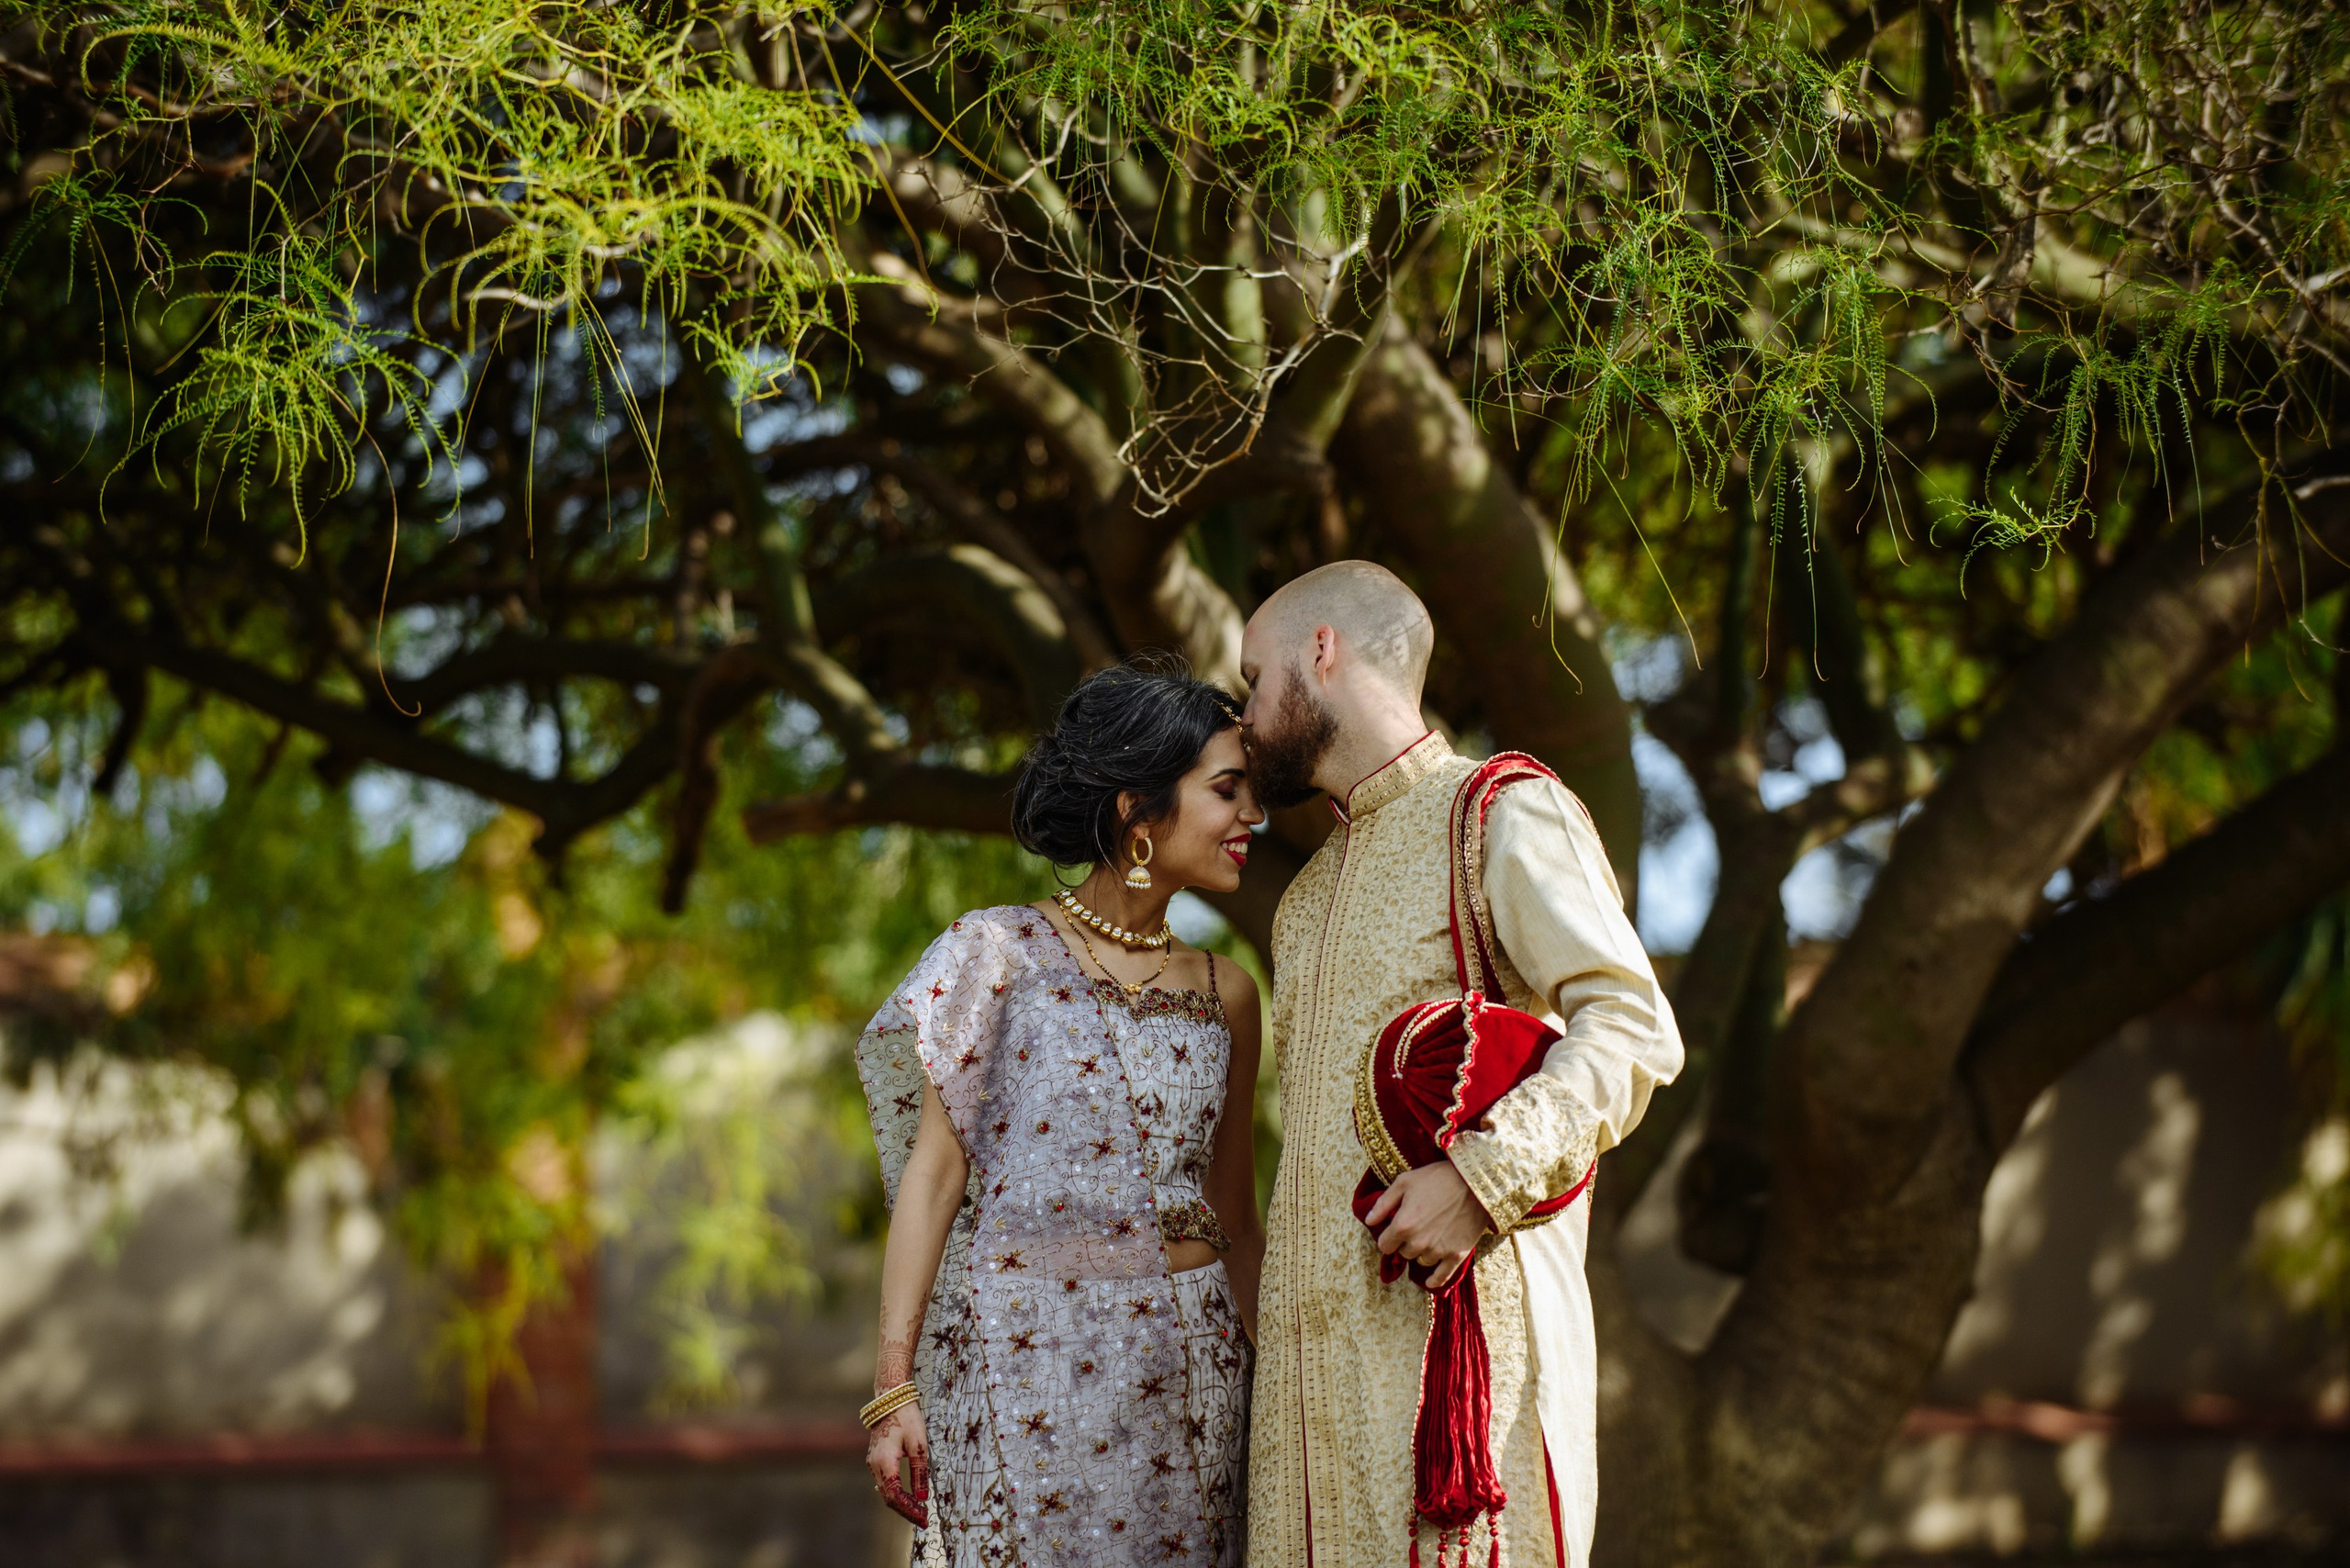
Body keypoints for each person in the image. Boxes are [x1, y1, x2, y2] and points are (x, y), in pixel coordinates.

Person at [1237, 562, 1684, 1568]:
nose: (1247, 715)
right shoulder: (1302, 902)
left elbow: (1631, 1022)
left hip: (1460, 1383)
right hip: (1308, 1423)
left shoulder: (1498, 809)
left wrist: (1479, 1179)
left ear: (1324, 650)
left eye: (1255, 679)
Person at [856, 663, 1268, 1568]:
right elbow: (935, 1173)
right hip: (1027, 1360)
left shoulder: (1226, 992)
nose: (1252, 818)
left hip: (1194, 1382)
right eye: (1226, 791)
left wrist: (1283, 1396)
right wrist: (894, 1387)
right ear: (1137, 809)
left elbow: (1236, 1217)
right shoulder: (995, 954)